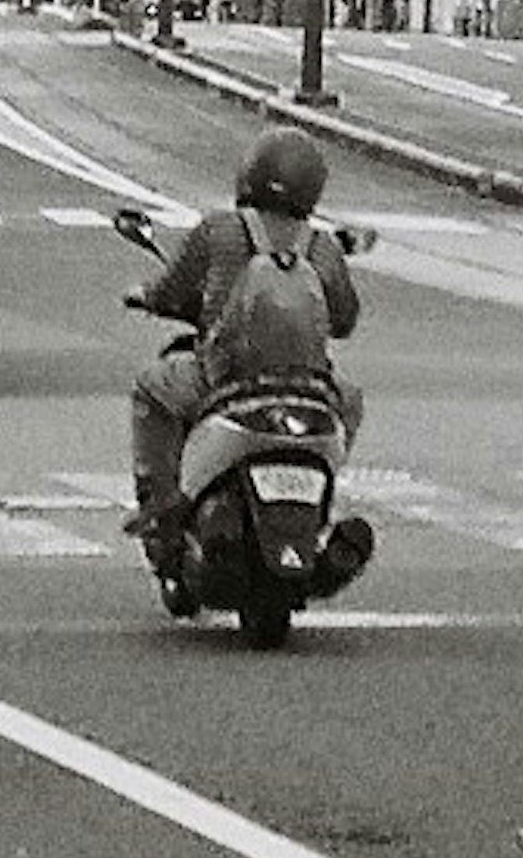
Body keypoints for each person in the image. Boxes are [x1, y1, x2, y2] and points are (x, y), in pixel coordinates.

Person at [127, 126, 364, 544]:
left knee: (151, 387)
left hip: (227, 380)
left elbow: (171, 289)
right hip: (309, 389)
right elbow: (344, 320)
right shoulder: (323, 247)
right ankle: (319, 493)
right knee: (351, 400)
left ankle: (159, 505)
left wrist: (144, 296)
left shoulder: (220, 230)